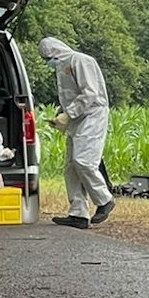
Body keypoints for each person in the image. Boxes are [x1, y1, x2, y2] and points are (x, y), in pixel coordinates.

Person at [37, 37, 114, 229]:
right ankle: (78, 214)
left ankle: (104, 199)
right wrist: (61, 114)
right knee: (71, 167)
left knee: (84, 161)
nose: (48, 62)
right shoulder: (62, 66)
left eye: (48, 58)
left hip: (92, 115)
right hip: (76, 118)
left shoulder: (80, 60)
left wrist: (69, 113)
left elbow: (90, 93)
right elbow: (68, 96)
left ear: (55, 52)